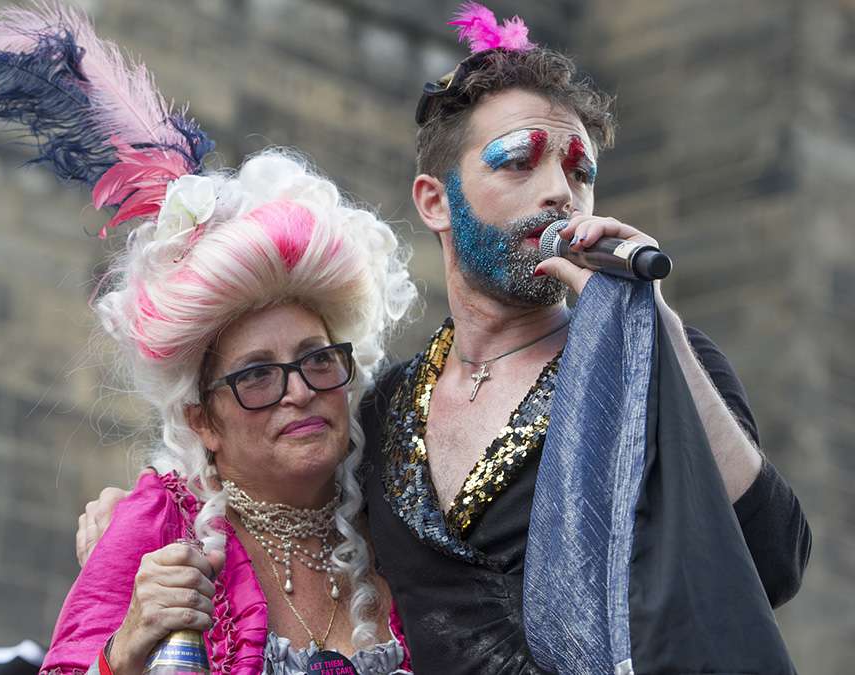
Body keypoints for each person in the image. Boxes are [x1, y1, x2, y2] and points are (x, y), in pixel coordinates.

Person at [75, 4, 811, 674]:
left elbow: (773, 561)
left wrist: (649, 322)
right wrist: (130, 532)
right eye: (520, 159)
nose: (559, 190)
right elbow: (262, 483)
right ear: (435, 201)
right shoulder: (383, 409)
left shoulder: (659, 359)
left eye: (579, 169)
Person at [0, 4, 418, 674]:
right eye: (256, 375)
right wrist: (129, 643)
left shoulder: (402, 511)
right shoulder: (159, 523)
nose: (299, 390)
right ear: (201, 420)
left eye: (316, 359)